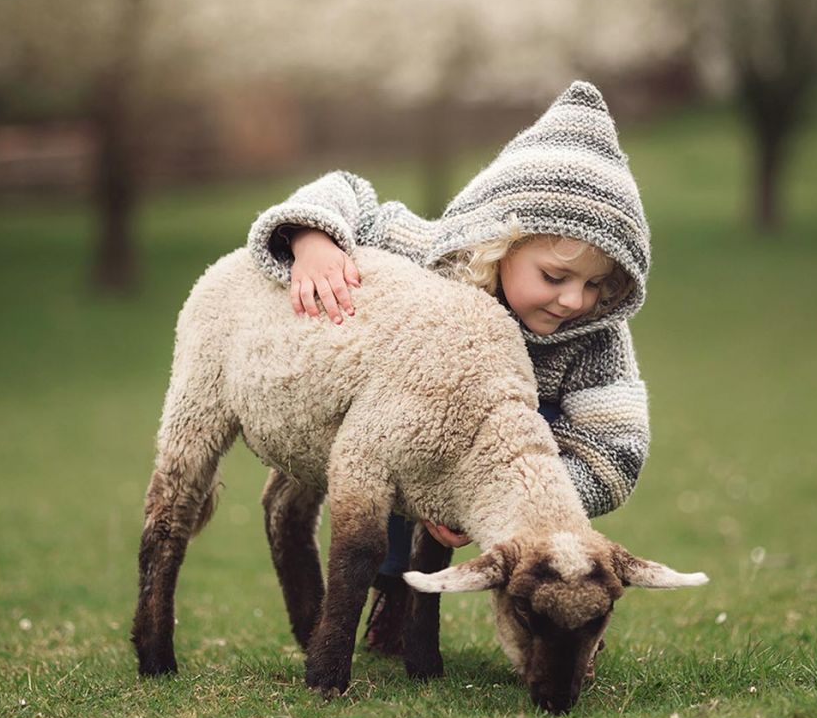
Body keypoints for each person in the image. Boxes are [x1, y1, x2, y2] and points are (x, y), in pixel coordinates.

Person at [246, 80, 651, 655]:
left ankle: (560, 610)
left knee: (544, 471)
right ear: (499, 241)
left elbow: (617, 448)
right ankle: (393, 586)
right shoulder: (430, 256)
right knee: (391, 445)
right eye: (554, 277)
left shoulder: (598, 339)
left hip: (524, 468)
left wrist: (507, 509)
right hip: (414, 426)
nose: (573, 301)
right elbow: (346, 189)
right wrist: (312, 237)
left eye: (596, 284)